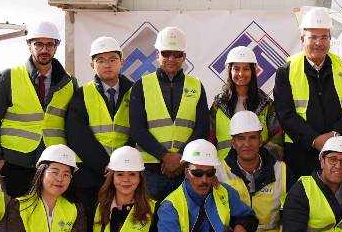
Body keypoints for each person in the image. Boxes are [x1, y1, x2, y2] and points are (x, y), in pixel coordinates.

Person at [0, 21, 77, 199]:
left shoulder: (69, 82)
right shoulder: (8, 77)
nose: (44, 49)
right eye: (38, 44)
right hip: (15, 163)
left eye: (50, 44)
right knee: (16, 216)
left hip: (54, 163)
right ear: (29, 45)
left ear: (56, 47)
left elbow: (73, 125)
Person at [273, 7, 342, 178]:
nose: (319, 42)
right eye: (313, 37)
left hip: (340, 154)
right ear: (302, 39)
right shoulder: (286, 71)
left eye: (324, 37)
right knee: (304, 202)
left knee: (341, 203)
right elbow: (284, 114)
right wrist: (315, 140)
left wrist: (335, 136)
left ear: (330, 39)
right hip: (301, 155)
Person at [128, 26, 210, 201]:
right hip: (151, 169)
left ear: (184, 57)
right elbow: (137, 129)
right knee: (151, 221)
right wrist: (165, 156)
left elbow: (202, 127)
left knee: (186, 220)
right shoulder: (141, 86)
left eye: (177, 54)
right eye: (166, 53)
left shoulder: (196, 85)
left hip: (187, 168)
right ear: (157, 55)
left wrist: (180, 159)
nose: (171, 58)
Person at [65, 35, 133, 222]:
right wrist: (106, 165)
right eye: (100, 60)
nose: (107, 64)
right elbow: (78, 136)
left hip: (127, 173)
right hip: (91, 175)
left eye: (112, 59)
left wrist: (121, 165)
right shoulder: (81, 94)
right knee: (90, 223)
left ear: (122, 62)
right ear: (91, 65)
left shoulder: (135, 92)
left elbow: (139, 130)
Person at [207, 45, 281, 157]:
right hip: (223, 170)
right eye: (236, 69)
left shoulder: (266, 104)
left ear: (253, 72)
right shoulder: (219, 104)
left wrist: (262, 161)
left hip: (258, 170)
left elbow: (278, 137)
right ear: (229, 71)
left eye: (246, 69)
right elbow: (209, 138)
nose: (241, 73)